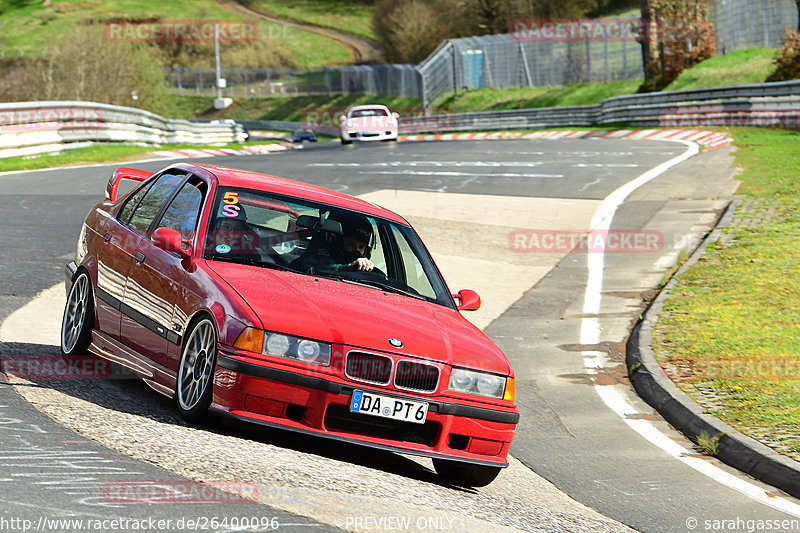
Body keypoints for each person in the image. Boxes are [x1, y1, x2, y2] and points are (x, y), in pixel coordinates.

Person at [291, 212, 375, 273]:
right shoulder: (318, 255)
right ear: (337, 242)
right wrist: (346, 268)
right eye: (350, 244)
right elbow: (299, 267)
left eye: (361, 247)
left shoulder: (363, 265)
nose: (356, 250)